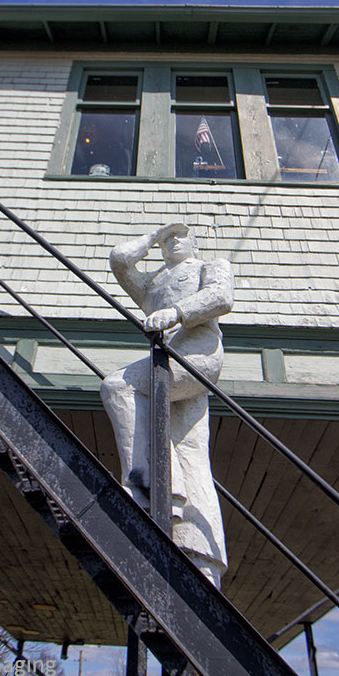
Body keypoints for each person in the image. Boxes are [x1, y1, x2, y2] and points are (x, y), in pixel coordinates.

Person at [100, 223, 234, 587]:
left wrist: (175, 313)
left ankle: (146, 480)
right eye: (168, 238)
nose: (174, 241)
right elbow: (119, 261)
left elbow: (221, 297)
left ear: (194, 242)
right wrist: (150, 238)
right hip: (165, 360)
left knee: (118, 386)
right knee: (190, 452)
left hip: (198, 354)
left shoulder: (211, 264)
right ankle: (203, 561)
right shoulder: (152, 285)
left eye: (181, 235)